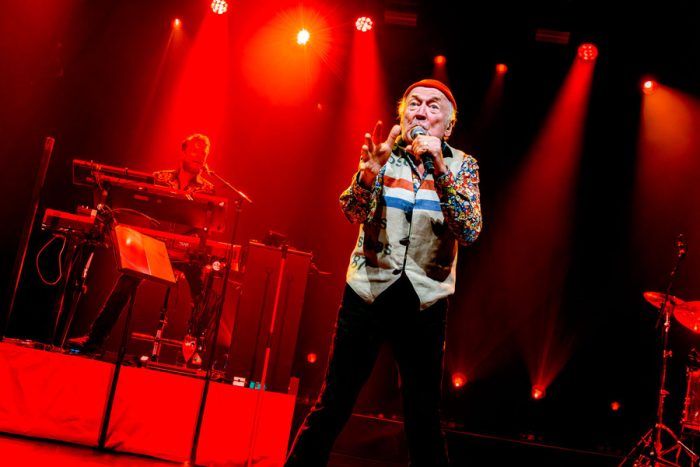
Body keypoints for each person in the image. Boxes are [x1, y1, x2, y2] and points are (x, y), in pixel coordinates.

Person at [284, 79, 482, 467]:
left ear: (448, 125)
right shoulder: (384, 154)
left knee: (422, 416)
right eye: (414, 104)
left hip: (425, 300)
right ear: (402, 115)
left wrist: (440, 168)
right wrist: (369, 173)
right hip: (368, 292)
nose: (421, 112)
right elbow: (352, 211)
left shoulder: (463, 165)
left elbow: (469, 230)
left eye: (433, 106)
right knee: (334, 402)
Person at [66, 133, 216, 360]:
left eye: (204, 153)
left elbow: (207, 226)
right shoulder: (159, 177)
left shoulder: (208, 188)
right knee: (126, 280)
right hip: (155, 245)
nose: (199, 156)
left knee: (203, 295)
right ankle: (94, 340)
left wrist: (189, 246)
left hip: (186, 252)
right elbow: (142, 207)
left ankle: (198, 353)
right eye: (195, 150)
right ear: (184, 151)